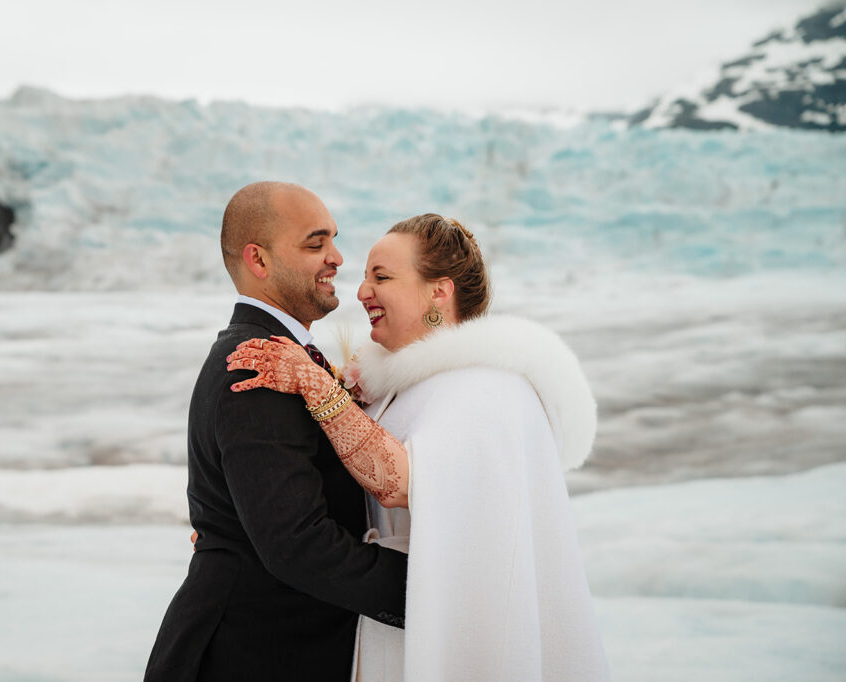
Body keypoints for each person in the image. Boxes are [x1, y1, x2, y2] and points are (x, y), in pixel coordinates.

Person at [227, 214, 611, 681]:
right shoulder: (402, 384)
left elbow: (398, 482)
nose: (362, 291)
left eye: (381, 277)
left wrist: (317, 387)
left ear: (439, 292)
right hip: (392, 612)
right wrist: (244, 525)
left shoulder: (486, 387)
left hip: (447, 622)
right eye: (366, 276)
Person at [143, 182, 409, 682]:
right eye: (315, 244)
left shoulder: (282, 354)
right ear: (258, 260)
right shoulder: (258, 366)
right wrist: (434, 592)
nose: (336, 257)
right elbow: (297, 544)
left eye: (333, 239)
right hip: (246, 653)